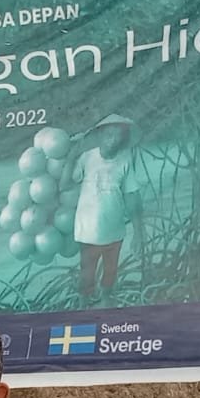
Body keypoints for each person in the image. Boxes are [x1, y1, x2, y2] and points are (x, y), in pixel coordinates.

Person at [71, 115, 140, 303]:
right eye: (109, 134)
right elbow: (68, 182)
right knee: (86, 275)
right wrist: (72, 154)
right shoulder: (87, 157)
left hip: (115, 231)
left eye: (118, 135)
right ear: (100, 135)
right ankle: (83, 305)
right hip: (88, 231)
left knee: (110, 272)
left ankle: (106, 304)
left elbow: (132, 195)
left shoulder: (125, 159)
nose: (113, 140)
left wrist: (138, 232)